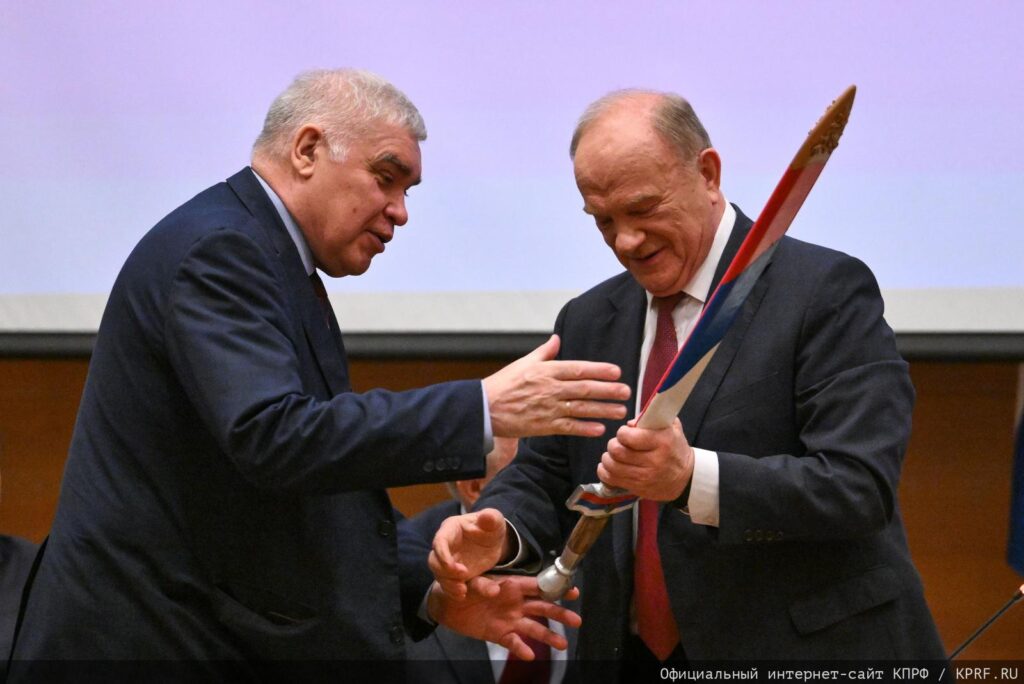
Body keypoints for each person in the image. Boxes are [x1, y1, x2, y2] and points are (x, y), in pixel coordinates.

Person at [9, 69, 633, 674]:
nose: (400, 211)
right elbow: (275, 438)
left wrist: (431, 594)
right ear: (307, 149)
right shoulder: (222, 250)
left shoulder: (271, 256)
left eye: (408, 191)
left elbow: (321, 491)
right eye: (386, 178)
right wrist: (481, 408)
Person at [430, 89, 946, 672]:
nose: (625, 240)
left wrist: (690, 478)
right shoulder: (589, 320)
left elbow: (858, 487)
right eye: (603, 220)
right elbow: (545, 473)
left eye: (643, 208)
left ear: (707, 174)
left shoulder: (824, 292)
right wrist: (500, 529)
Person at [402, 437, 577, 683]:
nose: (550, 488)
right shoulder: (407, 564)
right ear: (475, 487)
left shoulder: (582, 535)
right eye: (522, 472)